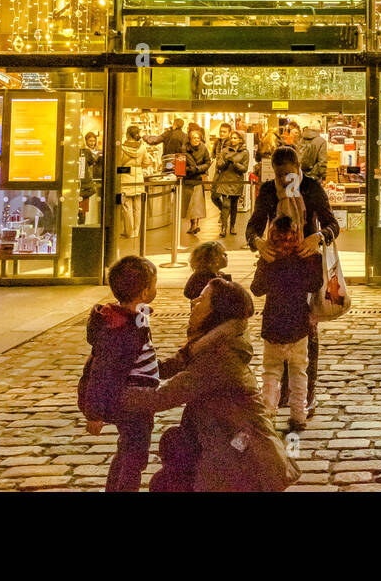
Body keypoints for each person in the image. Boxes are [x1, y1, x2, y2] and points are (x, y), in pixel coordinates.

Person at [122, 278, 300, 492]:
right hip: (226, 441)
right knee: (173, 446)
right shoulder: (209, 343)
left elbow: (163, 397)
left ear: (216, 312)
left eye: (202, 298)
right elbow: (173, 365)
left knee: (165, 484)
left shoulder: (218, 356)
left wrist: (114, 396)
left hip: (246, 458)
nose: (194, 301)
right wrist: (133, 367)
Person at [245, 145, 339, 416]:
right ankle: (279, 397)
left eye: (290, 174)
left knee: (306, 334)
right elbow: (253, 226)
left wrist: (317, 237)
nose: (286, 180)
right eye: (280, 175)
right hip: (276, 265)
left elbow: (332, 224)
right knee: (277, 336)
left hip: (305, 265)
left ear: (299, 168)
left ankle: (304, 397)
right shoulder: (266, 191)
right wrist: (258, 242)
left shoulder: (311, 188)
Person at [78, 255, 160, 492]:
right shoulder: (121, 328)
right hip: (131, 400)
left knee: (128, 450)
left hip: (137, 396)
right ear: (144, 292)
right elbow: (102, 370)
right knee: (134, 456)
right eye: (154, 284)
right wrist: (94, 413)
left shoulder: (134, 320)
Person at [251, 212, 323, 432]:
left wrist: (264, 262)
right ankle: (298, 415)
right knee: (298, 371)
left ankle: (269, 413)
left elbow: (257, 289)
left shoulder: (269, 260)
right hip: (299, 323)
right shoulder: (307, 258)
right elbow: (315, 284)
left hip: (273, 323)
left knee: (271, 371)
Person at [116, 125, 156, 239]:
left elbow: (118, 163)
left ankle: (128, 231)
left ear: (127, 134)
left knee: (126, 205)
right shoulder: (142, 147)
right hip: (138, 178)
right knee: (137, 206)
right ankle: (135, 232)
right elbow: (147, 162)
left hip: (125, 177)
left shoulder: (122, 148)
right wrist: (138, 166)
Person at [211, 127, 250, 237]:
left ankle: (232, 225)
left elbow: (245, 168)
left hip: (237, 181)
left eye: (235, 138)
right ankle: (223, 227)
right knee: (226, 205)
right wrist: (225, 163)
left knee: (234, 206)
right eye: (232, 138)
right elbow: (218, 165)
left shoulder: (244, 153)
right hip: (225, 181)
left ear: (240, 140)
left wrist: (235, 163)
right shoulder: (225, 151)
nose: (232, 140)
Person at [182, 127, 211, 236]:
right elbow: (180, 163)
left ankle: (195, 224)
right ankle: (192, 225)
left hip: (198, 179)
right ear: (189, 139)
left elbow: (208, 162)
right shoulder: (183, 149)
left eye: (198, 138)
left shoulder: (203, 148)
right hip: (187, 180)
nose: (196, 139)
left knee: (197, 204)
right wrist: (189, 169)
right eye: (194, 138)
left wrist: (198, 169)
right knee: (189, 204)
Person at [79, 131, 102, 225]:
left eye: (94, 141)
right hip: (85, 184)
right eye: (90, 141)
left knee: (81, 209)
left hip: (82, 184)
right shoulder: (86, 152)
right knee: (82, 210)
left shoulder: (85, 152)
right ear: (85, 141)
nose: (92, 143)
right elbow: (92, 162)